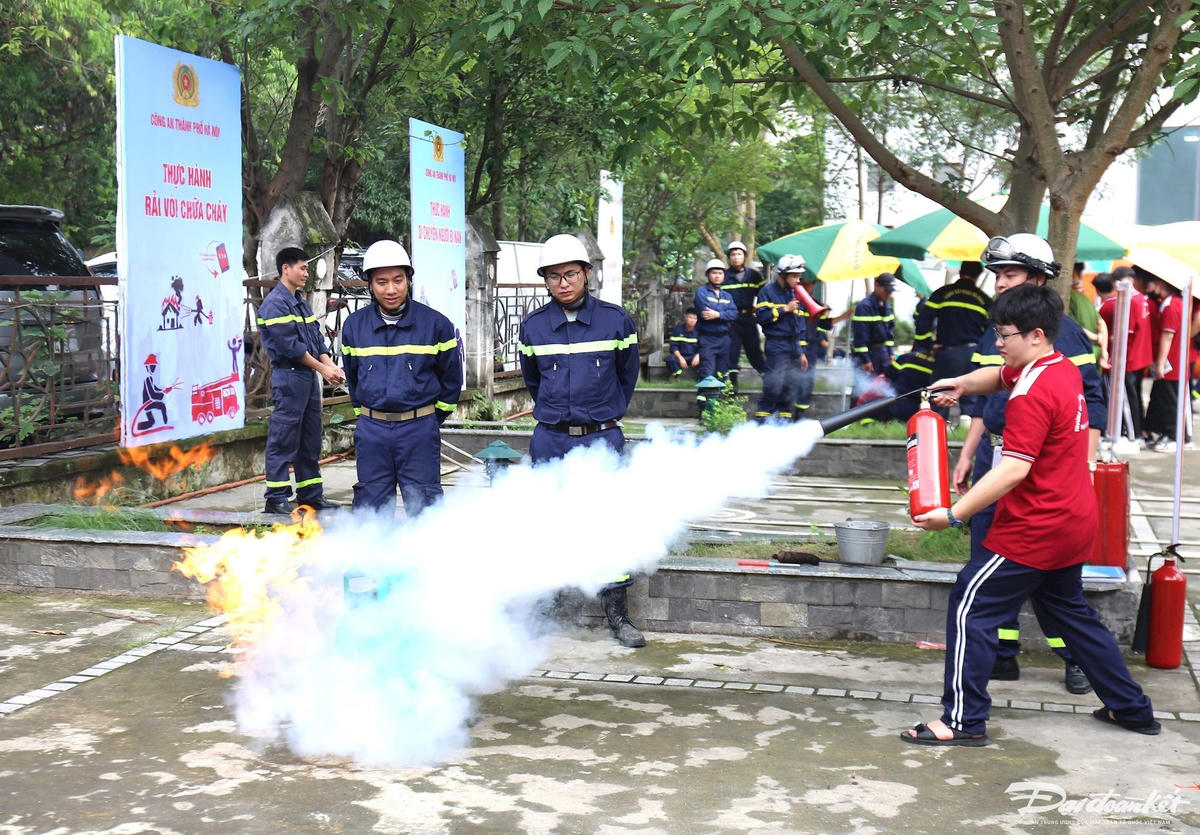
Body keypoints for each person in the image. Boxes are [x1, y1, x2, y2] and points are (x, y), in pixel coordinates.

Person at [900, 282, 1159, 746]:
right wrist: (959, 383)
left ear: (1035, 334)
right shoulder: (1056, 368)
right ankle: (1131, 708)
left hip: (1035, 528)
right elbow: (998, 375)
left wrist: (953, 514)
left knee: (970, 605)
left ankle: (961, 720)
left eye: (1005, 335)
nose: (999, 344)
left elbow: (1013, 470)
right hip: (1072, 519)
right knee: (1071, 614)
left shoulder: (1031, 394)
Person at [953, 234, 1105, 695]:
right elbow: (988, 393)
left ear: (1038, 279)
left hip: (1035, 471)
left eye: (1011, 274)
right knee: (985, 558)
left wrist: (1085, 466)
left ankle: (1074, 657)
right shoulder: (997, 329)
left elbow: (1090, 403)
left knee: (1048, 580)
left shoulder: (1063, 335)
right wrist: (966, 453)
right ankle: (1000, 654)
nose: (1000, 283)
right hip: (994, 459)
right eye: (997, 275)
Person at [517, 234, 644, 648]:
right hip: (551, 439)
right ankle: (549, 607)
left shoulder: (615, 321)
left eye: (570, 273)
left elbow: (627, 378)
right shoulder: (533, 327)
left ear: (587, 273)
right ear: (546, 282)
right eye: (553, 277)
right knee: (548, 523)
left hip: (601, 438)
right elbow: (533, 381)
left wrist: (602, 416)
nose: (563, 283)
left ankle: (618, 616)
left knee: (607, 524)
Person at [341, 240, 462, 517]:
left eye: (398, 280)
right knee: (370, 508)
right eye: (382, 281)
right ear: (370, 284)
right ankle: (373, 560)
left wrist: (429, 419)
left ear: (409, 280)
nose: (391, 289)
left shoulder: (436, 325)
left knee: (424, 506)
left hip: (418, 430)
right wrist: (368, 416)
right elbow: (353, 377)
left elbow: (451, 381)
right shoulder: (354, 327)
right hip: (372, 432)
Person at [257, 247, 346, 515]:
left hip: (306, 378)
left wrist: (331, 367)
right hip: (289, 377)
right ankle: (276, 497)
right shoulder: (274, 304)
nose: (307, 273)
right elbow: (291, 347)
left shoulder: (301, 302)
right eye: (303, 268)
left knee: (310, 438)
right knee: (284, 438)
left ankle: (310, 495)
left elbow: (316, 340)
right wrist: (322, 369)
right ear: (286, 269)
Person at [1096, 269, 1152, 443]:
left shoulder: (1125, 301)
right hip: (1139, 356)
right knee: (1133, 395)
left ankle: (1133, 434)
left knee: (1126, 397)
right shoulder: (1141, 299)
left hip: (1127, 358)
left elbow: (1124, 334)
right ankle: (1138, 431)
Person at [1137, 261, 1188, 451]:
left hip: (1171, 362)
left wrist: (1159, 364)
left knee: (1169, 400)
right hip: (1172, 361)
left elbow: (1167, 336)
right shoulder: (1170, 303)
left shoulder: (1171, 306)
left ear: (1161, 283)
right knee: (1163, 398)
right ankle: (1167, 434)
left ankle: (1173, 436)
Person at [913, 260, 991, 384]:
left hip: (947, 355)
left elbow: (922, 321)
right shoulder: (985, 300)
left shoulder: (940, 294)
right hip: (974, 356)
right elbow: (991, 332)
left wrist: (928, 345)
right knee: (970, 398)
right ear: (978, 276)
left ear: (960, 272)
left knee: (940, 394)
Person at [753, 255, 807, 423]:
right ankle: (761, 424)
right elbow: (761, 317)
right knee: (773, 385)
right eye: (794, 276)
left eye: (799, 276)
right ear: (782, 275)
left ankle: (783, 423)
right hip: (776, 344)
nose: (798, 280)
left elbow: (800, 326)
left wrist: (801, 352)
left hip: (793, 346)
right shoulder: (767, 292)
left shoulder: (796, 294)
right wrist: (785, 309)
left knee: (789, 387)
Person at [723, 240, 767, 391]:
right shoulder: (724, 276)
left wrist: (758, 309)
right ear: (729, 257)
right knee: (732, 351)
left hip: (748, 318)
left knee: (754, 349)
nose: (736, 257)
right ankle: (732, 383)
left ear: (745, 256)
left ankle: (767, 379)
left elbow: (763, 295)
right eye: (733, 254)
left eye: (739, 254)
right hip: (731, 320)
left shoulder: (754, 275)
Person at [693, 257, 737, 382]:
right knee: (707, 373)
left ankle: (719, 401)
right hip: (708, 339)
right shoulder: (701, 292)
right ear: (708, 275)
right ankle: (704, 401)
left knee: (722, 374)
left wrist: (718, 314)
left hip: (724, 339)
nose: (717, 276)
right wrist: (725, 313)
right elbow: (705, 313)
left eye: (720, 273)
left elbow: (734, 314)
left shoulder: (727, 295)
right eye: (714, 273)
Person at [851, 273, 896, 378]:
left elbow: (889, 333)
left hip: (883, 353)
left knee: (883, 386)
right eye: (887, 290)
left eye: (891, 291)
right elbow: (860, 337)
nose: (889, 294)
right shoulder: (864, 307)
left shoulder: (887, 306)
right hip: (869, 353)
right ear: (877, 286)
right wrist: (865, 360)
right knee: (865, 388)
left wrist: (890, 353)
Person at [1068, 261, 1110, 368]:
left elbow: (1073, 327)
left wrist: (1097, 338)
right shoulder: (1084, 298)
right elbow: (1101, 324)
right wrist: (1104, 349)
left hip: (1079, 359)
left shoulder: (1067, 298)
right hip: (1095, 356)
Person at [666, 309, 701, 379]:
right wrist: (680, 358)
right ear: (685, 317)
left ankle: (700, 378)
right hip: (681, 356)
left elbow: (703, 346)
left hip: (694, 357)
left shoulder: (700, 331)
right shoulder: (678, 330)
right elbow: (674, 347)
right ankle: (678, 376)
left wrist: (698, 356)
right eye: (690, 317)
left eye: (695, 318)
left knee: (707, 358)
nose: (692, 320)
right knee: (670, 359)